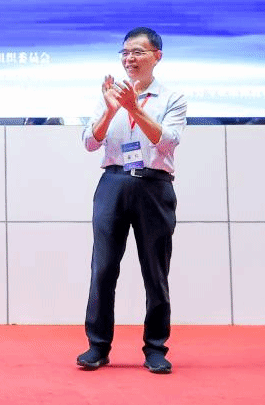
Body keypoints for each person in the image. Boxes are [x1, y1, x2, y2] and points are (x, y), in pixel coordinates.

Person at [76, 27, 187, 375]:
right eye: (125, 52)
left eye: (138, 52)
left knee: (155, 272)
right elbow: (89, 142)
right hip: (113, 183)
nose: (129, 59)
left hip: (153, 186)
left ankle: (155, 348)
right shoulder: (110, 95)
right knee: (103, 268)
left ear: (157, 56)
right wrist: (111, 110)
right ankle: (97, 346)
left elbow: (167, 140)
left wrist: (134, 109)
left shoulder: (172, 98)